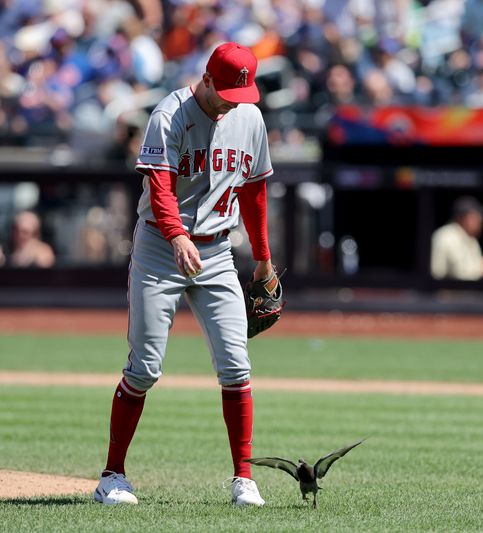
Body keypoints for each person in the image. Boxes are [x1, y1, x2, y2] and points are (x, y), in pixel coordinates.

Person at [94, 42, 275, 507]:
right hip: (160, 246)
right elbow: (159, 185)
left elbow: (254, 191)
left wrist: (263, 258)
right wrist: (176, 236)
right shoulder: (169, 114)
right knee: (146, 367)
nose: (235, 103)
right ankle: (112, 476)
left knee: (237, 367)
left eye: (244, 93)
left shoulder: (249, 117)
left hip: (216, 252)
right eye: (227, 93)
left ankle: (243, 478)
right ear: (208, 79)